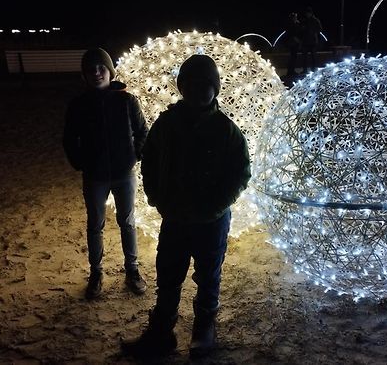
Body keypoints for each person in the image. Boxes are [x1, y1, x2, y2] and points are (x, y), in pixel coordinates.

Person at [121, 54, 251, 360]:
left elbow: (241, 172)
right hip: (175, 218)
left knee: (208, 277)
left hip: (211, 222)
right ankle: (161, 332)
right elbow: (149, 160)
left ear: (216, 88)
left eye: (206, 84)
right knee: (168, 275)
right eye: (191, 83)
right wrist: (156, 197)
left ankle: (203, 330)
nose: (199, 90)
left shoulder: (226, 130)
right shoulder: (166, 124)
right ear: (182, 87)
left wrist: (218, 205)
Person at [63, 48, 148, 300]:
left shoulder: (127, 101)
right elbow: (69, 138)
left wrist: (134, 156)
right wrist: (81, 163)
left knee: (128, 222)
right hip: (95, 176)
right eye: (91, 69)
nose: (96, 72)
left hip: (124, 174)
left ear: (110, 71)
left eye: (101, 67)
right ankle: (96, 272)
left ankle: (132, 270)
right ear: (85, 75)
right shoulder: (79, 105)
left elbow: (143, 131)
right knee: (95, 225)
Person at [300, 6, 322, 72]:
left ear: (311, 13)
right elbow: (301, 30)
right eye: (306, 13)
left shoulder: (315, 20)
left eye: (308, 13)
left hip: (313, 41)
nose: (307, 14)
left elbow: (320, 29)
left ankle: (313, 69)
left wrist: (313, 31)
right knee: (305, 57)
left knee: (313, 57)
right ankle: (305, 70)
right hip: (305, 41)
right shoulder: (304, 20)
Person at [284, 11, 302, 76]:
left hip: (294, 42)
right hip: (293, 42)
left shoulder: (295, 23)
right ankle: (290, 72)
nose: (295, 18)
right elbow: (292, 33)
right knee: (293, 57)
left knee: (293, 57)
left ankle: (291, 71)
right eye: (295, 17)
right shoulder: (291, 24)